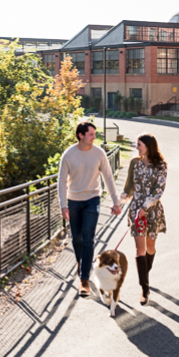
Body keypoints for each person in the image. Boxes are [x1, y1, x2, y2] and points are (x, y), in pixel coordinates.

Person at [57, 122, 122, 297]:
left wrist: (116, 202)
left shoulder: (99, 153)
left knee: (88, 239)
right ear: (81, 135)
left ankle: (84, 279)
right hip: (74, 200)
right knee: (76, 239)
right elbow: (61, 181)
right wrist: (63, 205)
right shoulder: (69, 155)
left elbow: (108, 177)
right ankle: (82, 262)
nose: (94, 137)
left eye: (94, 134)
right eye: (91, 134)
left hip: (92, 199)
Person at [121, 133, 167, 306]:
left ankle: (145, 272)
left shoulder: (161, 165)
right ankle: (144, 289)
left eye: (139, 144)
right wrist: (120, 200)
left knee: (150, 247)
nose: (136, 147)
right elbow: (129, 188)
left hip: (153, 210)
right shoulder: (134, 163)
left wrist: (145, 207)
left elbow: (159, 190)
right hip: (135, 209)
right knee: (139, 249)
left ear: (148, 146)